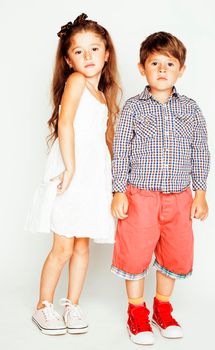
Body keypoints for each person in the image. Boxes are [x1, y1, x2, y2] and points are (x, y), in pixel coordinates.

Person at [111, 31, 210, 345]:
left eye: (170, 63)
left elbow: (200, 149)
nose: (163, 69)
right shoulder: (133, 108)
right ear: (142, 68)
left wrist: (201, 192)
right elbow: (121, 150)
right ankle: (136, 312)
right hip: (140, 196)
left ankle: (162, 309)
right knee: (135, 254)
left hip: (180, 198)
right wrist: (118, 191)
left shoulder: (191, 108)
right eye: (155, 63)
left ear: (181, 69)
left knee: (175, 254)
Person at [25, 13, 120, 335]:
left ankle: (72, 303)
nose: (88, 56)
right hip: (73, 169)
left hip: (94, 175)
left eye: (94, 49)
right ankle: (43, 306)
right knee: (63, 246)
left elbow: (102, 139)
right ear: (68, 60)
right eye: (79, 51)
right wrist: (70, 167)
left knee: (82, 245)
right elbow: (66, 124)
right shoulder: (76, 82)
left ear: (107, 53)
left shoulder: (103, 95)